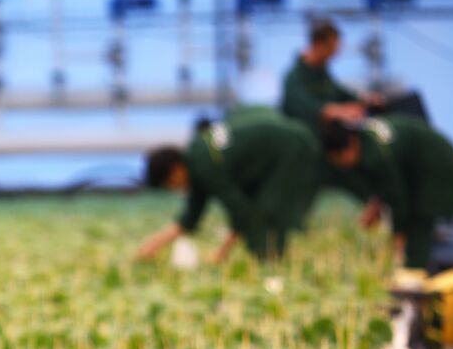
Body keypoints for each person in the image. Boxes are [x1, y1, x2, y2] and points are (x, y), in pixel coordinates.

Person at [136, 107, 323, 265]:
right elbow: (192, 214)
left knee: (267, 215)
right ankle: (271, 263)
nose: (175, 189)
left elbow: (241, 210)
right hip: (286, 144)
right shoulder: (198, 156)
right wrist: (154, 245)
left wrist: (222, 252)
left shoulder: (204, 164)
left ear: (176, 171)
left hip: (292, 148)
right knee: (260, 213)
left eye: (170, 184)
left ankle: (272, 267)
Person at [321, 116, 453, 270]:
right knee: (415, 227)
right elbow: (386, 185)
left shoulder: (376, 154)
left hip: (438, 166)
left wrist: (399, 234)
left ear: (351, 144)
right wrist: (376, 205)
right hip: (422, 169)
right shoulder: (367, 141)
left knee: (419, 227)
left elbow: (397, 196)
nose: (341, 165)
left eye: (339, 158)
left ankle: (414, 278)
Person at [280, 19, 384, 133]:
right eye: (331, 48)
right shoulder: (294, 77)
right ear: (318, 44)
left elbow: (338, 93)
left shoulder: (322, 74)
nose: (335, 54)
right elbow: (304, 106)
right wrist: (335, 111)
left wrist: (363, 100)